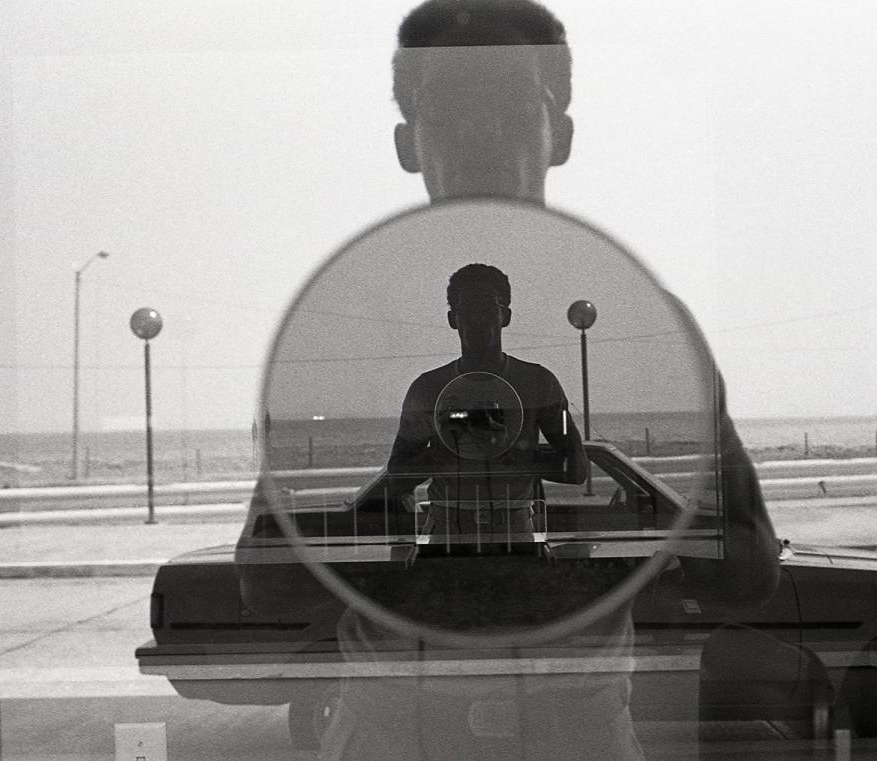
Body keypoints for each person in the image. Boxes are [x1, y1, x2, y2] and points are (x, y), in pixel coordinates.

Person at [317, 1, 781, 757]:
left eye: (510, 103)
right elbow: (264, 579)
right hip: (392, 728)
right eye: (449, 108)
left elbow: (749, 569)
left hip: (575, 725)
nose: (481, 131)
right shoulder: (346, 325)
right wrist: (404, 485)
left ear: (560, 133)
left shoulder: (647, 325)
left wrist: (627, 516)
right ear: (408, 143)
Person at [385, 262, 587, 545]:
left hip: (500, 528)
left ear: (505, 316)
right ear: (453, 318)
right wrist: (451, 450)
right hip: (458, 528)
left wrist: (505, 450)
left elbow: (577, 469)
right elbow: (396, 475)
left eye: (488, 308)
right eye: (468, 309)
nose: (478, 319)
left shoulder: (538, 383)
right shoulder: (427, 388)